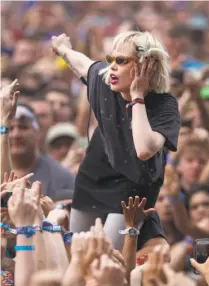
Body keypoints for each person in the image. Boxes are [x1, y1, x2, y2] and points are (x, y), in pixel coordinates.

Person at [52, 31, 180, 250]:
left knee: (109, 256)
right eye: (110, 59)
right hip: (95, 175)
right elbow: (84, 64)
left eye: (121, 61)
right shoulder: (105, 81)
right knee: (79, 252)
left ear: (146, 65)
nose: (111, 66)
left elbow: (144, 149)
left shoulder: (164, 105)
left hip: (134, 186)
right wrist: (63, 49)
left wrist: (137, 96)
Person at [9, 102, 75, 200]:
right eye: (9, 129)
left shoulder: (62, 178)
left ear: (38, 132)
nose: (16, 135)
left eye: (23, 127)